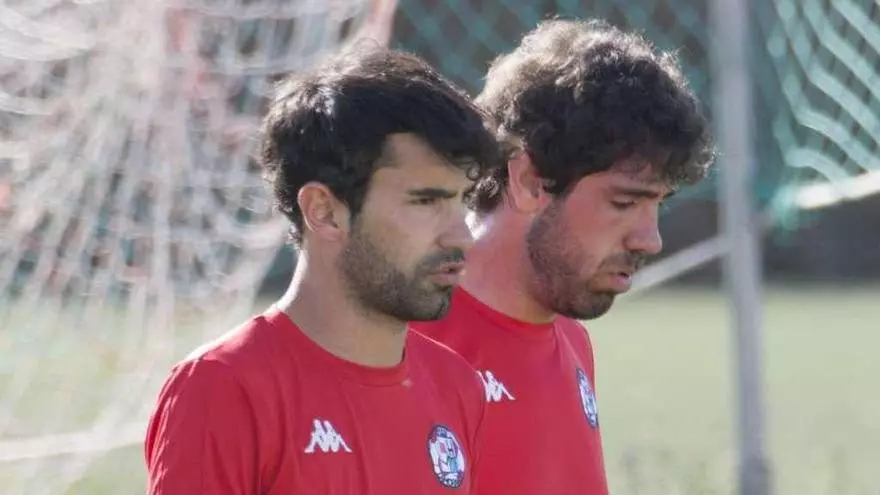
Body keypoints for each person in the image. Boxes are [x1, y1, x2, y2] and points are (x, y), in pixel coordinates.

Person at [144, 45, 499, 494]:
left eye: (462, 201)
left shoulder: (456, 386)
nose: (461, 236)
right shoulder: (224, 388)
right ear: (324, 212)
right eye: (426, 201)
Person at [412, 19, 717, 494]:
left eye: (658, 204)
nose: (650, 239)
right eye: (624, 202)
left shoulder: (572, 339)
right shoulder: (403, 344)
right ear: (530, 181)